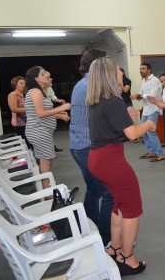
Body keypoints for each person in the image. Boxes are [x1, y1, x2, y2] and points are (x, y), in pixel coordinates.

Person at [86, 57, 153, 276]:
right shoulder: (113, 100)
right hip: (110, 159)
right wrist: (148, 123)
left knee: (119, 204)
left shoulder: (96, 99)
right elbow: (133, 134)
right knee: (132, 207)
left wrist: (128, 117)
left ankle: (115, 248)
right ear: (109, 74)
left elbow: (116, 124)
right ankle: (127, 257)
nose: (122, 74)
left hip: (97, 158)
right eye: (118, 70)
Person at [69, 48, 114, 245]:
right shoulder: (90, 85)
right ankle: (105, 239)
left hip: (79, 145)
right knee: (109, 194)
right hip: (88, 146)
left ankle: (90, 231)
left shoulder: (83, 83)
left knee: (94, 190)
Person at [24, 66, 71, 189]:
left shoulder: (39, 92)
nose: (46, 76)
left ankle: (46, 186)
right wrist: (60, 108)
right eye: (43, 74)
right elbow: (40, 114)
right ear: (36, 78)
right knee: (46, 161)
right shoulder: (36, 92)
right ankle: (47, 190)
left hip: (41, 130)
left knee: (45, 160)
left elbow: (42, 113)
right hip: (39, 131)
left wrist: (59, 115)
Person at [130, 63, 165, 162]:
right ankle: (151, 151)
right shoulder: (143, 81)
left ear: (149, 70)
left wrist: (138, 95)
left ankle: (160, 154)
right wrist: (137, 97)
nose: (141, 70)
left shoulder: (155, 81)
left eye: (143, 69)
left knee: (151, 132)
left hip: (154, 109)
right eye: (140, 69)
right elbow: (141, 95)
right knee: (143, 131)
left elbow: (152, 96)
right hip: (146, 109)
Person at [44, 71, 66, 152]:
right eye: (48, 78)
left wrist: (58, 101)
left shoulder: (48, 89)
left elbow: (53, 96)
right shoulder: (38, 93)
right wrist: (60, 114)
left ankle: (51, 147)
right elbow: (43, 113)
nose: (51, 79)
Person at [7, 76, 31, 148]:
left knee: (29, 142)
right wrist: (29, 109)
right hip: (18, 123)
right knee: (24, 144)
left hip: (27, 121)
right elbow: (14, 109)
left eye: (24, 83)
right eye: (21, 83)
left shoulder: (24, 94)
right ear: (15, 85)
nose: (24, 85)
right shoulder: (13, 95)